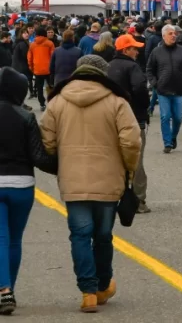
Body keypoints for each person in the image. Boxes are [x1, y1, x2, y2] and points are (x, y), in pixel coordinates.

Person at [40, 55, 141, 313]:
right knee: (104, 235)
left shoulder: (57, 101)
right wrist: (128, 169)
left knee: (80, 235)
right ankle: (103, 284)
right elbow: (130, 142)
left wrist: (62, 160)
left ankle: (87, 291)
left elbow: (47, 142)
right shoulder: (117, 101)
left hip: (73, 180)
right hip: (108, 179)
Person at [0, 67, 58, 315]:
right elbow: (39, 157)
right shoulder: (26, 116)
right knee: (14, 239)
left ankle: (3, 290)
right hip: (22, 184)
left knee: (0, 238)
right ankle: (8, 289)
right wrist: (63, 167)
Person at [106, 33, 151, 214]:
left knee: (113, 160)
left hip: (111, 120)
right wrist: (143, 107)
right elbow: (140, 88)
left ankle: (111, 197)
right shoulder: (133, 67)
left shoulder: (108, 67)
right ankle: (138, 201)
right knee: (136, 161)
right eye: (134, 48)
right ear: (126, 50)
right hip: (133, 119)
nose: (137, 52)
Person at [146, 25, 182, 153]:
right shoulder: (156, 52)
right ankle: (167, 143)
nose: (174, 36)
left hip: (179, 90)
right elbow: (149, 69)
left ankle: (173, 137)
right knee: (165, 117)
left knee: (178, 118)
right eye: (170, 33)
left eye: (174, 33)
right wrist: (155, 83)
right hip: (162, 90)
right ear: (164, 36)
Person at [27, 26, 55, 111]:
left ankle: (42, 104)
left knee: (39, 88)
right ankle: (52, 103)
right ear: (44, 33)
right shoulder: (49, 43)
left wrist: (32, 68)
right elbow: (53, 57)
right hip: (48, 69)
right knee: (50, 87)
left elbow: (29, 58)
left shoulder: (32, 44)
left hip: (37, 70)